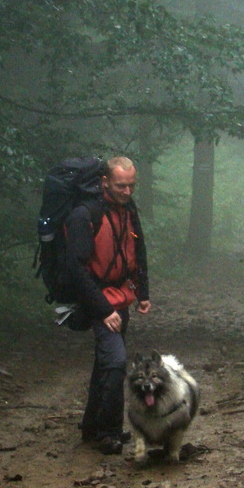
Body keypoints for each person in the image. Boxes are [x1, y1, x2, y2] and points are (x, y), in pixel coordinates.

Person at [65, 156, 151, 455]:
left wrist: (143, 292)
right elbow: (76, 269)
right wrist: (103, 310)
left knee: (105, 362)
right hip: (97, 299)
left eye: (132, 185)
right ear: (104, 182)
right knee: (115, 362)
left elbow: (137, 248)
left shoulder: (127, 208)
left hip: (120, 296)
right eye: (120, 186)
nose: (127, 192)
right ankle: (109, 431)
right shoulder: (83, 215)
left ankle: (92, 426)